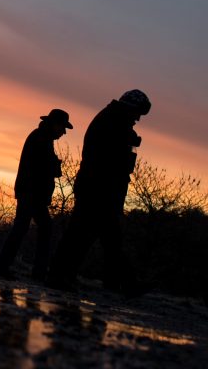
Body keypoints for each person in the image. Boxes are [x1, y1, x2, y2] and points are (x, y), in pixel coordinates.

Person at [47, 90, 151, 294]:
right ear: (130, 108)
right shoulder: (113, 122)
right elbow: (109, 158)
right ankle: (61, 276)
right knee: (83, 235)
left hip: (101, 189)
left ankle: (119, 283)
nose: (138, 119)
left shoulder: (114, 120)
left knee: (103, 237)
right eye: (137, 113)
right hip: (97, 190)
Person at [0, 109, 71, 280]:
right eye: (63, 127)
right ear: (55, 124)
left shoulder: (42, 137)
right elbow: (45, 168)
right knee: (27, 228)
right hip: (31, 193)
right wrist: (55, 166)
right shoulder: (41, 138)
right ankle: (8, 267)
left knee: (34, 228)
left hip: (33, 193)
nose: (64, 132)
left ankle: (21, 268)